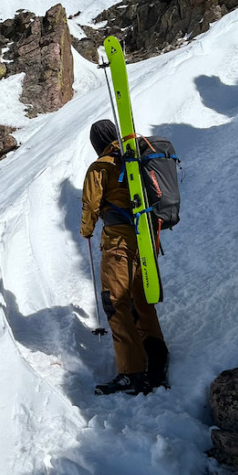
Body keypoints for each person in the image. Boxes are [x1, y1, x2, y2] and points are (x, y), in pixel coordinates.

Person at [80, 119, 169, 395]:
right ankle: (157, 362)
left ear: (97, 143)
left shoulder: (101, 166)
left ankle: (132, 373)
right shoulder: (135, 159)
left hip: (118, 244)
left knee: (116, 304)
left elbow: (91, 204)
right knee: (142, 303)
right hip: (144, 240)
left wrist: (86, 230)